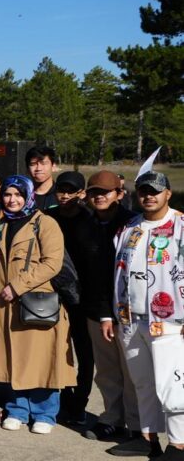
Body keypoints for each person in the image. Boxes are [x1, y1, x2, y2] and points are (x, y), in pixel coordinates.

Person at [0, 175, 76, 434]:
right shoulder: (2, 224)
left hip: (35, 301)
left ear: (28, 197)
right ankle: (17, 409)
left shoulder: (45, 223)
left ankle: (45, 413)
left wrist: (18, 285)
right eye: (7, 194)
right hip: (4, 303)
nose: (12, 200)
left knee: (41, 358)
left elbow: (52, 263)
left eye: (18, 194)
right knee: (12, 357)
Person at [109, 171, 184, 461]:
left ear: (168, 194)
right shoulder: (130, 227)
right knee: (142, 382)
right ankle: (147, 437)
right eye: (143, 191)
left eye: (155, 190)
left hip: (171, 321)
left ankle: (179, 444)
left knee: (173, 384)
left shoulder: (181, 226)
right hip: (131, 317)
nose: (149, 196)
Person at [83, 170, 140, 443]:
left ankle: (137, 425)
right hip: (96, 308)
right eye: (94, 192)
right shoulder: (86, 223)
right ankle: (111, 419)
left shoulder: (132, 223)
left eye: (105, 192)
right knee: (107, 370)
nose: (99, 197)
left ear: (118, 193)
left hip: (127, 310)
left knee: (132, 371)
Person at [47, 171, 99, 427]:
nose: (65, 195)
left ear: (81, 193)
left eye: (71, 191)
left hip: (84, 296)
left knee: (84, 351)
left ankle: (79, 403)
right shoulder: (49, 218)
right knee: (57, 348)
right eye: (61, 190)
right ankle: (64, 398)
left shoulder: (91, 220)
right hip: (54, 293)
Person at [26, 146, 58, 210]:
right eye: (33, 164)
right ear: (27, 169)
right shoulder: (21, 196)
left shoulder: (62, 195)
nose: (38, 168)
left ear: (53, 166)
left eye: (43, 163)